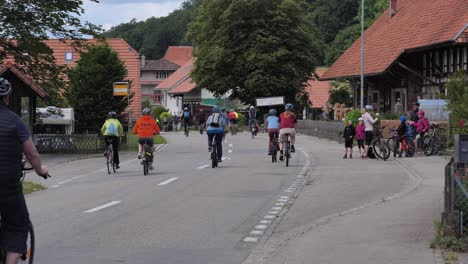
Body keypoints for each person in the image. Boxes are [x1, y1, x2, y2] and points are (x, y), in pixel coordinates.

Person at [0, 77, 49, 264]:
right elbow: (31, 152)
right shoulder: (15, 121)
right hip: (8, 186)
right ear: (7, 98)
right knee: (17, 226)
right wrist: (40, 170)